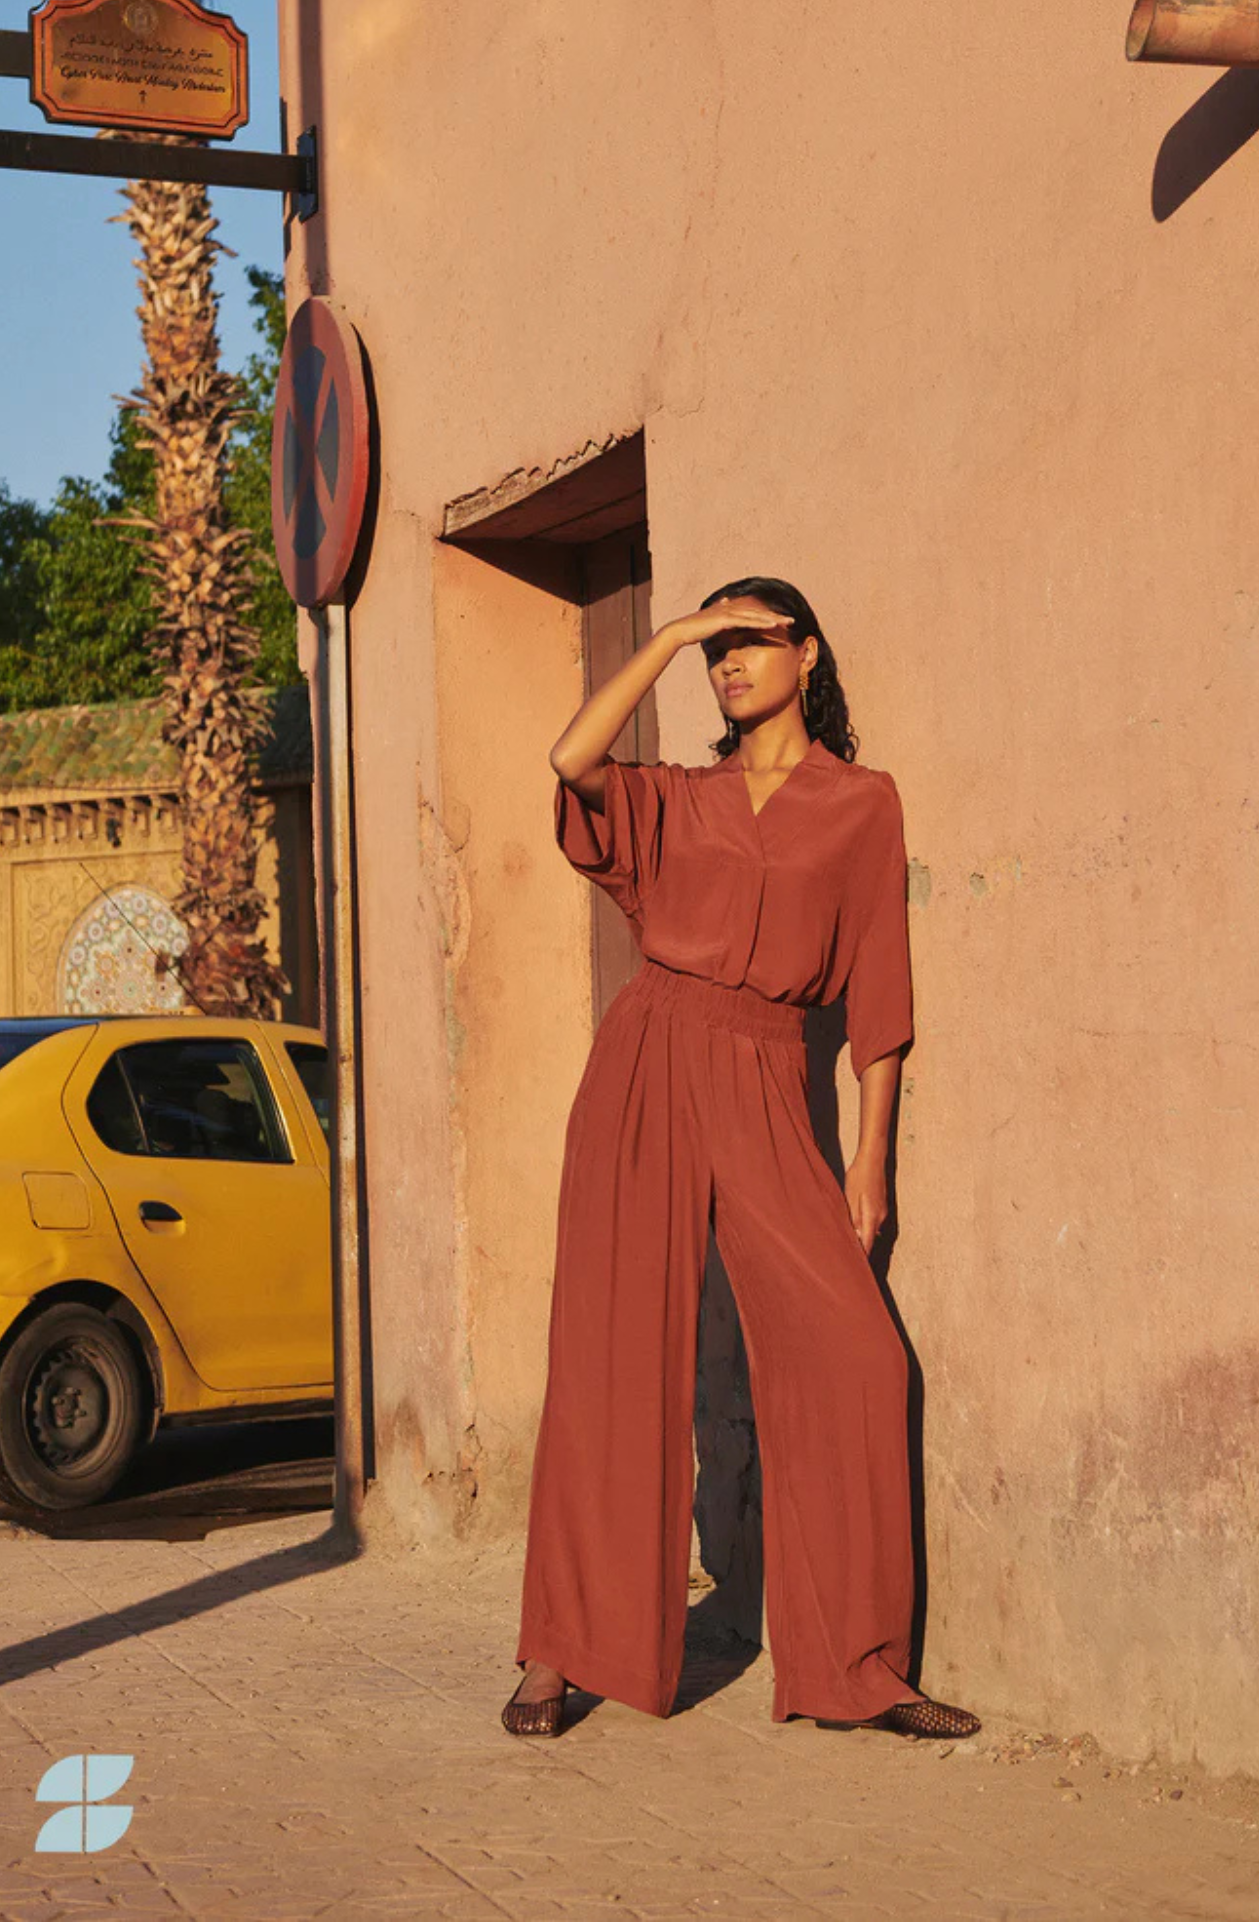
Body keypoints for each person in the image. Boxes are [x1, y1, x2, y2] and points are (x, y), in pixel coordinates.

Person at [502, 576, 979, 1743]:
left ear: (806, 653)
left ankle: (856, 1667)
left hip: (769, 1073)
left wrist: (873, 1155)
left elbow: (879, 988)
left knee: (857, 1354)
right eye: (715, 648)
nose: (729, 662)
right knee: (612, 1355)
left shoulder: (862, 805)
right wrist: (668, 635)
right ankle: (563, 1650)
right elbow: (571, 759)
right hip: (648, 1057)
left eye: (749, 640)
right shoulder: (678, 799)